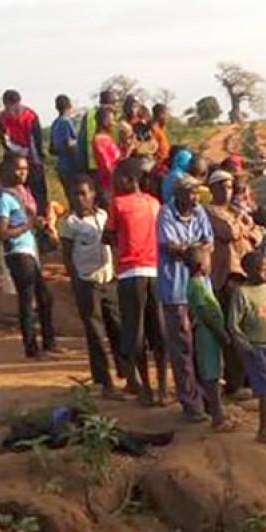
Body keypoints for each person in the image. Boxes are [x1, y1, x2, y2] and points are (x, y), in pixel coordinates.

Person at [104, 158, 168, 405]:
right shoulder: (155, 203)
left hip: (130, 274)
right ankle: (163, 387)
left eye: (118, 178)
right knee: (159, 331)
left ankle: (146, 388)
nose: (115, 183)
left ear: (130, 180)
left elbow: (107, 236)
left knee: (136, 332)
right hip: (154, 271)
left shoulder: (117, 204)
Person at [60, 175, 126, 399]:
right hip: (86, 282)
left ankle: (127, 374)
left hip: (108, 279)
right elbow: (67, 256)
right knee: (96, 333)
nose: (79, 199)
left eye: (83, 193)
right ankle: (105, 382)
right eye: (74, 195)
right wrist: (75, 281)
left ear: (93, 194)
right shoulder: (69, 224)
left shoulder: (104, 216)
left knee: (117, 327)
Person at [157, 175, 214, 421]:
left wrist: (192, 251)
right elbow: (171, 247)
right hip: (176, 290)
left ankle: (207, 398)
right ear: (178, 193)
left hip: (200, 287)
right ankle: (191, 404)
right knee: (182, 347)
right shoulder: (166, 214)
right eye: (189, 193)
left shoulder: (199, 212)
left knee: (202, 343)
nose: (194, 198)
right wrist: (195, 251)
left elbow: (208, 244)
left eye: (196, 193)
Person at [0, 155, 58, 359]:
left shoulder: (20, 193)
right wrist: (28, 225)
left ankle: (47, 343)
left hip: (28, 250)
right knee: (28, 299)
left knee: (44, 298)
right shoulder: (4, 198)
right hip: (18, 252)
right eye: (19, 168)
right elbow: (2, 233)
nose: (23, 172)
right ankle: (32, 347)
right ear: (8, 170)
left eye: (25, 169)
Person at [205, 169, 261, 393]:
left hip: (244, 276)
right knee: (232, 330)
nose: (227, 191)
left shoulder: (234, 211)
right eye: (223, 187)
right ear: (213, 189)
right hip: (226, 278)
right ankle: (234, 381)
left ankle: (249, 378)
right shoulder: (209, 211)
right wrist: (243, 224)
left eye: (230, 187)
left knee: (248, 330)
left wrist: (245, 226)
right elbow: (228, 231)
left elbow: (258, 235)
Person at [227, 251, 266, 446]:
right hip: (256, 348)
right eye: (263, 269)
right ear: (250, 270)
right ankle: (264, 430)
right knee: (265, 390)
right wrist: (246, 347)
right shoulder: (241, 293)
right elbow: (233, 325)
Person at [186, 245, 237, 431]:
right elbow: (205, 313)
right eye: (209, 261)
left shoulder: (201, 283)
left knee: (214, 374)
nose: (211, 264)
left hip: (209, 335)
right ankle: (217, 418)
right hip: (207, 335)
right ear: (201, 266)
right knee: (211, 376)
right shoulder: (197, 286)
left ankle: (218, 413)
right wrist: (221, 334)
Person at [0, 90, 48, 213]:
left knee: (19, 195)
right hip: (29, 161)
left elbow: (4, 142)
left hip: (15, 162)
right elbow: (37, 141)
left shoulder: (3, 117)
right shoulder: (30, 115)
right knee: (37, 196)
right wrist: (39, 157)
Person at [77, 90, 115, 173]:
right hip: (107, 161)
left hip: (90, 162)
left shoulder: (88, 114)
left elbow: (81, 139)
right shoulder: (111, 114)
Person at [49, 95, 79, 199]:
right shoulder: (66, 122)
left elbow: (52, 149)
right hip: (71, 166)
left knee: (70, 196)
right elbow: (69, 144)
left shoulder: (54, 124)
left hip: (61, 166)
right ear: (70, 106)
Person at [92, 106, 121, 201]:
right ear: (104, 121)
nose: (113, 123)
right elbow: (108, 167)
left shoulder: (107, 138)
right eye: (111, 120)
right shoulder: (100, 140)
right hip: (109, 185)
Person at [150, 103, 171, 175]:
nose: (168, 118)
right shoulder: (154, 130)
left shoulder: (160, 129)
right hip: (158, 168)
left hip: (164, 164)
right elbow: (151, 150)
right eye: (166, 115)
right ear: (160, 115)